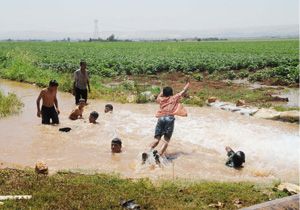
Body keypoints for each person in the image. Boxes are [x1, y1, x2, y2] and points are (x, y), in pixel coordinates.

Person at [142, 79, 190, 163]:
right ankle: (159, 155)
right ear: (172, 93)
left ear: (164, 94)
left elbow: (158, 97)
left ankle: (147, 151)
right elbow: (184, 90)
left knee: (157, 139)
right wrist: (188, 83)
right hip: (169, 119)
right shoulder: (175, 98)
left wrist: (161, 91)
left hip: (161, 118)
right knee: (166, 140)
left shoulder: (161, 99)